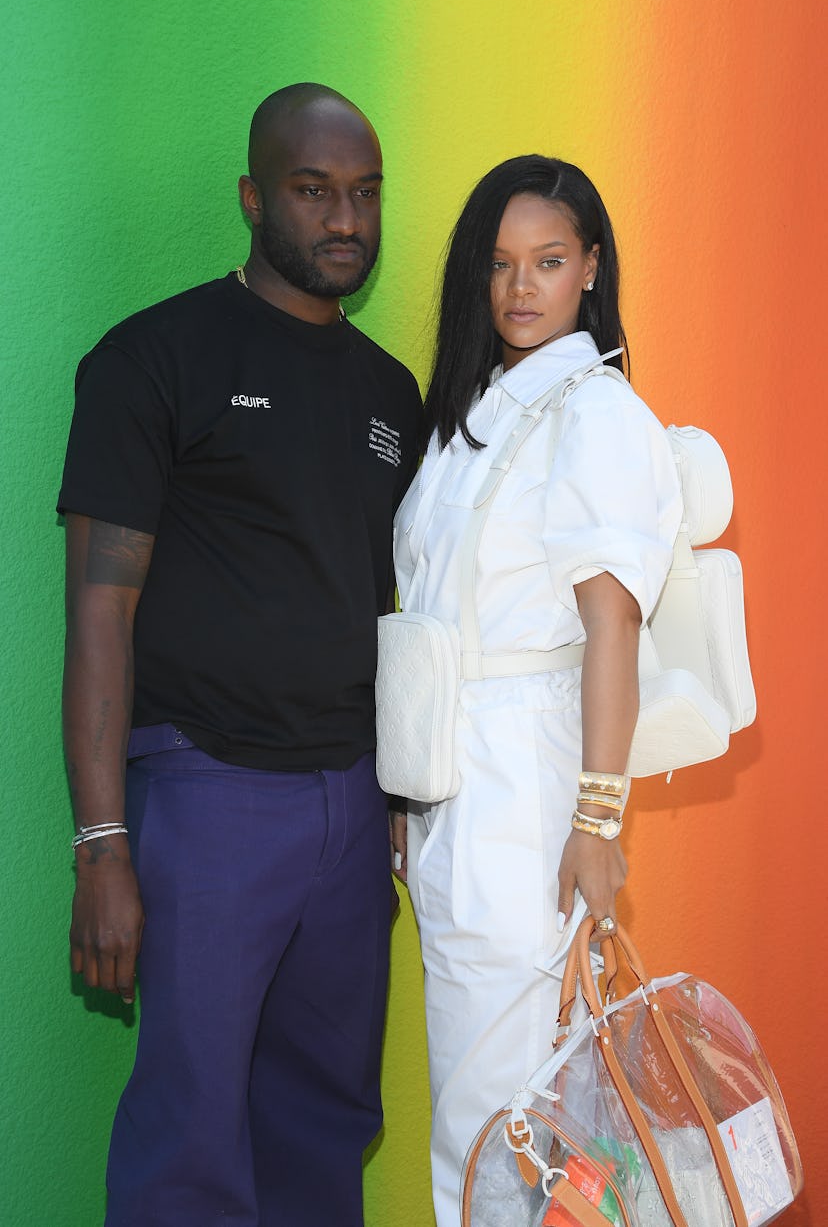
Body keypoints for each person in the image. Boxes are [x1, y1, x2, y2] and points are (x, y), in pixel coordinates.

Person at [58, 83, 421, 1227]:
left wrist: (400, 802)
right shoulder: (152, 358)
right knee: (192, 1133)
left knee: (326, 1121)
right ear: (255, 197)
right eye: (314, 191)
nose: (344, 218)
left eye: (364, 193)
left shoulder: (388, 394)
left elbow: (394, 609)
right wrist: (102, 844)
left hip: (352, 809)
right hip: (208, 797)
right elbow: (99, 611)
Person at [389, 156, 683, 1226]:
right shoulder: (473, 417)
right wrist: (410, 797)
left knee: (498, 1122)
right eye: (502, 265)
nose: (522, 287)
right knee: (495, 1112)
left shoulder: (591, 414)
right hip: (454, 792)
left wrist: (599, 819)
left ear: (591, 270)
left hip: (525, 793)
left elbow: (613, 624)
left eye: (549, 261)